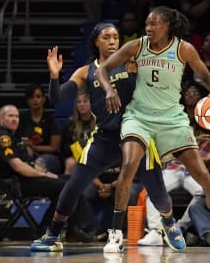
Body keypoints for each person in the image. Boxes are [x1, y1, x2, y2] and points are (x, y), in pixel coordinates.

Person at [96, 6, 210, 253]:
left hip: (172, 119)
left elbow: (203, 73)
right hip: (139, 117)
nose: (149, 28)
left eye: (154, 24)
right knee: (129, 167)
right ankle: (116, 234)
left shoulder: (184, 49)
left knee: (203, 175)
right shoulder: (137, 46)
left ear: (168, 26)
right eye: (147, 24)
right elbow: (102, 68)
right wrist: (108, 89)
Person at [30, 22, 177, 253]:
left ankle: (169, 222)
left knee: (157, 189)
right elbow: (57, 98)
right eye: (106, 37)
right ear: (96, 41)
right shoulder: (85, 71)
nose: (112, 41)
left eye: (116, 37)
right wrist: (54, 75)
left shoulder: (133, 62)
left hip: (136, 137)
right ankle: (53, 235)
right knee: (73, 186)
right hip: (105, 140)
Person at [0, 105, 98, 240]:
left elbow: (28, 163)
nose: (14, 119)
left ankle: (71, 229)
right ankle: (54, 229)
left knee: (73, 180)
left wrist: (46, 172)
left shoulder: (14, 137)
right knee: (68, 186)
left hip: (28, 179)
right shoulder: (3, 137)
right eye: (10, 116)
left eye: (16, 116)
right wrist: (44, 175)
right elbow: (17, 166)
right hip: (18, 184)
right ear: (1, 118)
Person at [137, 122, 210, 246]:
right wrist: (194, 141)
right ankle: (155, 231)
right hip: (174, 167)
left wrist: (204, 158)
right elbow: (168, 150)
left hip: (196, 170)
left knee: (203, 192)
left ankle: (178, 228)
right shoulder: (185, 125)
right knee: (152, 189)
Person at [16, 83, 63, 174]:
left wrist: (34, 147)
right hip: (27, 155)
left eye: (38, 96)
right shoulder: (22, 118)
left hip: (50, 157)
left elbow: (54, 147)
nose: (35, 100)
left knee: (38, 164)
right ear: (27, 101)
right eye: (31, 97)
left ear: (43, 99)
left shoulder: (51, 119)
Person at [61, 93, 96, 174]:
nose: (81, 105)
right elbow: (65, 147)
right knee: (70, 163)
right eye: (78, 102)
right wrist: (78, 153)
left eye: (85, 101)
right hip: (76, 156)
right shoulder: (71, 123)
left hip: (95, 155)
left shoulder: (99, 121)